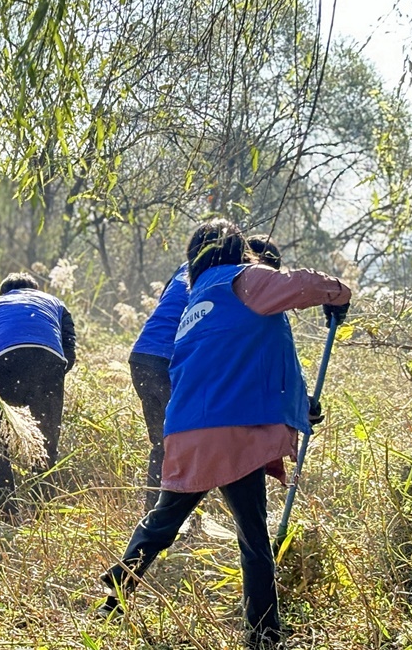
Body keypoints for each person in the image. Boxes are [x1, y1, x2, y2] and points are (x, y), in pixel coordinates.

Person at [99, 219, 351, 649]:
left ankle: (115, 594)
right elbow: (308, 284)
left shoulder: (197, 300)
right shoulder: (247, 280)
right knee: (254, 540)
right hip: (232, 433)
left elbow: (235, 362)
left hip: (186, 431)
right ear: (237, 249)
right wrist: (339, 295)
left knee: (163, 522)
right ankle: (264, 635)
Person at [129, 234, 283, 511]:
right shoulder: (236, 282)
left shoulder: (192, 267)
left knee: (165, 444)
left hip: (143, 356)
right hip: (173, 361)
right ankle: (165, 525)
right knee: (187, 444)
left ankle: (158, 518)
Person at [0, 272, 77, 519]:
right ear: (36, 290)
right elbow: (69, 348)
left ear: (4, 292)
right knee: (46, 441)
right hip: (48, 362)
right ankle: (43, 512)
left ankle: (6, 512)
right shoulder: (55, 303)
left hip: (3, 364)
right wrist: (55, 375)